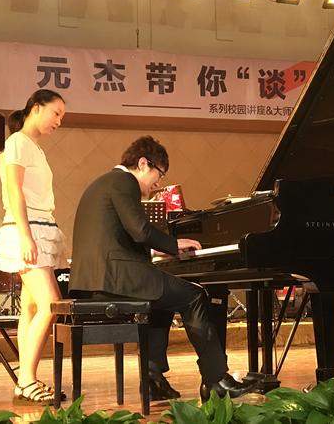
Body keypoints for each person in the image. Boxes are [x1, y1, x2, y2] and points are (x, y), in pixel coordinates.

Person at [69, 136, 254, 401]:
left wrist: (157, 250)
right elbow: (140, 230)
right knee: (194, 295)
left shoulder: (104, 183)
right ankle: (216, 379)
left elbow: (118, 237)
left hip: (95, 280)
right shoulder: (124, 182)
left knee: (163, 300)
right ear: (143, 163)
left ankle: (153, 379)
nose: (158, 183)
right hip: (114, 278)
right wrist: (174, 244)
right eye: (159, 173)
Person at [0, 89, 67, 405]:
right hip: (26, 229)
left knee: (33, 308)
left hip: (39, 228)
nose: (59, 121)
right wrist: (25, 236)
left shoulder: (33, 147)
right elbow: (15, 191)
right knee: (51, 304)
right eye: (56, 113)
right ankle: (26, 380)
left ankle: (26, 378)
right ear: (36, 107)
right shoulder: (18, 142)